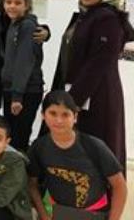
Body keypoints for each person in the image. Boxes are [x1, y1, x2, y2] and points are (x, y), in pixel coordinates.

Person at [51, 0, 133, 168]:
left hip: (96, 95)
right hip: (80, 93)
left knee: (95, 145)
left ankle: (101, 187)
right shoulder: (87, 15)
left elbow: (99, 63)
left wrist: (73, 100)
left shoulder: (107, 18)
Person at [28, 91, 127, 220]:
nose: (59, 120)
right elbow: (32, 184)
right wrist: (44, 215)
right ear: (43, 115)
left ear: (75, 117)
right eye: (53, 113)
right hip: (57, 212)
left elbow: (119, 186)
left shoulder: (94, 146)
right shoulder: (39, 147)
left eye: (65, 114)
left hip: (95, 214)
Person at [0, 0, 43, 151]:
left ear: (27, 5)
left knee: (18, 138)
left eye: (18, 3)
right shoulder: (13, 24)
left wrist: (17, 96)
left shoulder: (27, 26)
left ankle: (21, 167)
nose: (12, 6)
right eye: (8, 2)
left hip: (25, 91)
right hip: (12, 88)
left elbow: (24, 62)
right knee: (11, 136)